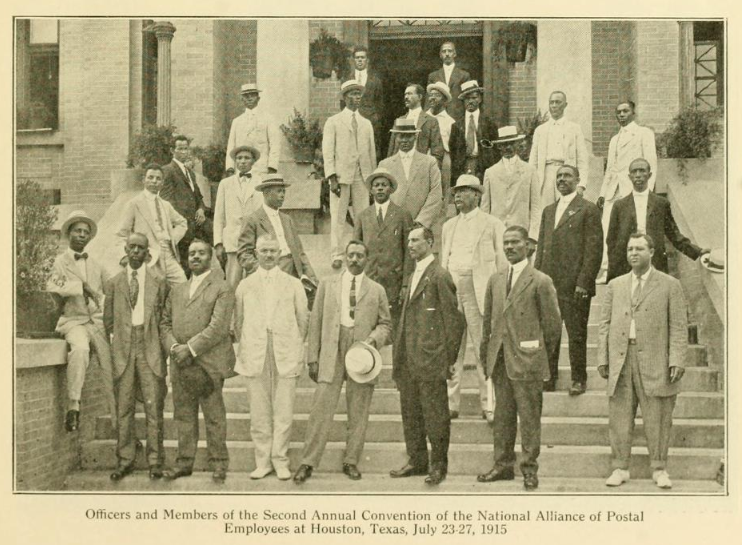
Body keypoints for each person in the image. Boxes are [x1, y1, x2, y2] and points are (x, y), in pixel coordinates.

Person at [294, 240, 392, 483]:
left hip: (361, 352)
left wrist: (373, 339)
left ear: (366, 259)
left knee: (358, 409)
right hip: (331, 348)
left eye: (360, 255)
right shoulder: (328, 284)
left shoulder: (376, 289)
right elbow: (316, 321)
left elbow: (386, 324)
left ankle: (351, 460)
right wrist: (312, 358)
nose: (354, 259)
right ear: (345, 257)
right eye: (351, 255)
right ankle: (308, 462)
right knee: (321, 408)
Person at [598, 233, 688, 489]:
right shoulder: (615, 285)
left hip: (657, 361)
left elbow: (679, 326)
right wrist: (603, 358)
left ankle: (659, 468)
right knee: (619, 418)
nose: (633, 254)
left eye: (639, 249)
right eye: (629, 249)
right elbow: (604, 324)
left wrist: (677, 360)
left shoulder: (670, 285)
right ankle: (620, 467)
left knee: (658, 417)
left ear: (651, 251)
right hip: (621, 359)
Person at [477, 226, 561, 491]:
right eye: (506, 243)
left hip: (527, 360)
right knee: (502, 417)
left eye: (515, 242)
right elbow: (489, 321)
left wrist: (536, 353)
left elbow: (553, 326)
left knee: (528, 417)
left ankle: (529, 469)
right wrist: (487, 354)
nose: (510, 247)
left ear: (528, 246)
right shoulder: (496, 279)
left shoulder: (540, 280)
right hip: (500, 359)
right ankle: (502, 465)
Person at [390, 227, 465, 486]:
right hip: (408, 358)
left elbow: (454, 322)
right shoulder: (413, 275)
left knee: (435, 415)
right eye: (408, 240)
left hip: (430, 359)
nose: (409, 244)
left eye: (415, 240)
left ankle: (438, 466)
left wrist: (447, 360)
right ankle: (417, 460)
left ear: (430, 243)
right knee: (410, 413)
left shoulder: (440, 275)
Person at [234, 235, 309, 481]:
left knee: (284, 409)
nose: (268, 255)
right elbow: (239, 321)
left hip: (285, 349)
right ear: (256, 253)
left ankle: (281, 460)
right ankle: (263, 461)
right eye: (263, 250)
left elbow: (303, 320)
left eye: (272, 251)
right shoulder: (245, 285)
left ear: (280, 254)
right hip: (255, 350)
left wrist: (295, 344)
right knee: (259, 411)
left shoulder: (293, 284)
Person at [160, 240, 236, 482]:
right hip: (180, 363)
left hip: (209, 362)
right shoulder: (178, 290)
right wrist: (174, 347)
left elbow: (218, 327)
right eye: (192, 253)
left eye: (201, 253)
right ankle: (184, 462)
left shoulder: (222, 287)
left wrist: (190, 349)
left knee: (214, 415)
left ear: (211, 257)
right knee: (183, 414)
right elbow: (164, 323)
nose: (195, 257)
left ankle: (219, 463)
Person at [440, 175, 507, 423]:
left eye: (464, 192)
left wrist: (498, 294)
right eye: (456, 192)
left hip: (479, 290)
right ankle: (450, 404)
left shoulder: (492, 224)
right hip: (452, 290)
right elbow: (443, 262)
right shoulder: (448, 226)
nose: (458, 196)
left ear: (477, 195)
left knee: (483, 349)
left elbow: (501, 263)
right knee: (452, 350)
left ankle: (489, 404)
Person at [104, 233, 169, 481]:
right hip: (123, 348)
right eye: (131, 247)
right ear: (125, 249)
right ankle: (125, 460)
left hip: (149, 345)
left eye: (140, 248)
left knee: (154, 408)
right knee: (124, 408)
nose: (135, 252)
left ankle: (155, 462)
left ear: (147, 253)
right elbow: (108, 321)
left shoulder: (159, 282)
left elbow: (164, 318)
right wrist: (120, 342)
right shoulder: (114, 283)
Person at [534, 165, 603, 394]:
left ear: (578, 180)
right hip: (549, 284)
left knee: (576, 333)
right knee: (550, 332)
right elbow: (542, 247)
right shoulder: (548, 211)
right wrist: (535, 279)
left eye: (567, 176)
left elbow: (593, 249)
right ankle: (549, 377)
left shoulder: (588, 209)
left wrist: (584, 281)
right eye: (559, 176)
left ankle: (578, 379)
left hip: (574, 285)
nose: (562, 180)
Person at [46, 210, 115, 433]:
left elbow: (109, 290)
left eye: (86, 232)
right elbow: (52, 287)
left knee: (110, 365)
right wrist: (80, 287)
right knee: (80, 350)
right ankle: (73, 405)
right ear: (69, 234)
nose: (82, 235)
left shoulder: (96, 263)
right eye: (78, 231)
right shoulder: (59, 262)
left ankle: (118, 422)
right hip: (73, 321)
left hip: (95, 322)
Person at [605, 158, 710, 282]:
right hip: (626, 264)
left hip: (654, 261)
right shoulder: (619, 205)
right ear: (629, 176)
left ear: (649, 175)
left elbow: (674, 235)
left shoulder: (661, 204)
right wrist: (614, 270)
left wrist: (698, 251)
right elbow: (611, 240)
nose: (638, 175)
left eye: (642, 171)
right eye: (634, 171)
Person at [596, 101, 658, 282]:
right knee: (607, 230)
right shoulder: (615, 139)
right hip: (613, 192)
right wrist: (602, 193)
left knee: (636, 230)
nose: (621, 115)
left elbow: (651, 162)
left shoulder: (644, 134)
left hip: (634, 189)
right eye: (618, 112)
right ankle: (607, 271)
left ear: (633, 113)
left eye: (625, 111)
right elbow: (610, 169)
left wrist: (649, 192)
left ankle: (638, 270)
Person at [322, 79, 376, 269]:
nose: (356, 97)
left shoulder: (366, 123)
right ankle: (337, 254)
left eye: (359, 94)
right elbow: (328, 152)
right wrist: (332, 177)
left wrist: (373, 179)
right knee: (337, 216)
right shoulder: (334, 122)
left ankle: (360, 252)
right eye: (352, 94)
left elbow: (371, 152)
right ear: (344, 98)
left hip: (362, 175)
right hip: (341, 175)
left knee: (362, 216)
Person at [353, 167, 415, 329]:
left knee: (392, 326)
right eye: (376, 185)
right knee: (368, 324)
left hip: (393, 282)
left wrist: (405, 284)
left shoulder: (402, 215)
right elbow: (355, 250)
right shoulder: (363, 216)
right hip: (369, 279)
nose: (380, 188)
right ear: (371, 190)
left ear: (391, 189)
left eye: (384, 185)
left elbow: (409, 252)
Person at [116, 163, 188, 285]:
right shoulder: (134, 204)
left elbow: (182, 223)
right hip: (148, 256)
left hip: (169, 254)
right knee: (153, 293)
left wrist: (172, 238)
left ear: (162, 183)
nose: (154, 181)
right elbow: (121, 234)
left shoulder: (165, 205)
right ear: (143, 180)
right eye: (151, 177)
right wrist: (125, 256)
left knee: (182, 286)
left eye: (158, 178)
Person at [214, 145, 264, 291]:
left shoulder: (260, 182)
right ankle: (230, 313)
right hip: (232, 241)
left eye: (246, 158)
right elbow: (219, 215)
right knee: (231, 284)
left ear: (253, 161)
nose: (242, 161)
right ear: (235, 161)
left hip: (252, 241)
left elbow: (261, 214)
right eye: (239, 158)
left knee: (252, 284)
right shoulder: (225, 184)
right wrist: (218, 243)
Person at [481, 126, 542, 244]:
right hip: (497, 233)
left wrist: (533, 237)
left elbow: (535, 207)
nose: (508, 147)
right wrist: (486, 235)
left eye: (512, 143)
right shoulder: (490, 172)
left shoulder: (530, 171)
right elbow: (485, 208)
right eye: (504, 144)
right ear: (499, 147)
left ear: (518, 144)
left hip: (521, 232)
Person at [529, 91, 589, 209]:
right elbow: (533, 161)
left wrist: (581, 185)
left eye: (558, 102)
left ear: (565, 105)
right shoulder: (540, 130)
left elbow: (582, 160)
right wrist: (532, 184)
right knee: (546, 210)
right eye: (552, 102)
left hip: (566, 173)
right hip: (546, 174)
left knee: (566, 209)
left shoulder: (575, 129)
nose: (554, 105)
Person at [378, 119, 443, 229]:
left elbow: (436, 193)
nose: (404, 140)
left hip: (421, 226)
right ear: (396, 138)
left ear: (415, 137)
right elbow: (381, 196)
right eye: (401, 136)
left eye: (408, 136)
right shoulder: (385, 165)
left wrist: (421, 222)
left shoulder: (429, 162)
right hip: (393, 225)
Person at [160, 134, 211, 273]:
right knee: (185, 264)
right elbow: (167, 201)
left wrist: (201, 209)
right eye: (180, 148)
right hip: (183, 225)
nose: (184, 152)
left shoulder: (190, 172)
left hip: (196, 223)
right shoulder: (168, 170)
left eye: (186, 148)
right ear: (172, 150)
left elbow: (198, 197)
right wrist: (184, 221)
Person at [449, 80, 500, 182]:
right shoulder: (456, 125)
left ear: (480, 99)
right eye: (467, 98)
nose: (470, 101)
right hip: (463, 166)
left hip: (484, 166)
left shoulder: (489, 123)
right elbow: (453, 149)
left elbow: (496, 147)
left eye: (474, 98)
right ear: (463, 101)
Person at [225, 83, 280, 176]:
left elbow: (275, 144)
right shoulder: (236, 121)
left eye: (252, 95)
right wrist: (230, 168)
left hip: (262, 170)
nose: (249, 98)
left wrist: (272, 167)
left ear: (258, 98)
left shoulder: (268, 119)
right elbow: (231, 146)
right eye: (246, 96)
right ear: (242, 99)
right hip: (241, 170)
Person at [387, 83, 444, 167]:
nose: (406, 97)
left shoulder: (431, 121)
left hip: (421, 168)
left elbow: (437, 153)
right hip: (399, 168)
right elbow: (391, 150)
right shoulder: (399, 120)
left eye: (410, 94)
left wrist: (429, 171)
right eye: (405, 94)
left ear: (420, 97)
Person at [343, 46, 384, 158]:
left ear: (367, 60)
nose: (360, 60)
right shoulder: (347, 79)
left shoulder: (375, 80)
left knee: (371, 151)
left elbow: (380, 103)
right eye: (357, 58)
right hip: (352, 121)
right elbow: (343, 102)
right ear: (353, 60)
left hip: (370, 120)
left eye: (362, 57)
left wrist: (375, 118)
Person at [425, 82, 456, 199]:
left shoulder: (450, 122)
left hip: (443, 160)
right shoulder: (423, 118)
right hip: (424, 155)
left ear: (444, 100)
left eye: (437, 95)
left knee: (442, 190)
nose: (432, 98)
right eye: (431, 95)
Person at [427, 41, 471, 121]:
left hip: (458, 117)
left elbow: (468, 98)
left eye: (450, 51)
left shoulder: (464, 75)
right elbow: (429, 100)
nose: (447, 54)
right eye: (444, 51)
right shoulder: (433, 76)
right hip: (437, 117)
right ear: (440, 55)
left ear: (455, 54)